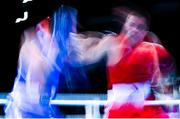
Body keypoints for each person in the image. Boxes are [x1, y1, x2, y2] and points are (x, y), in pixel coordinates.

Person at [75, 7, 175, 118]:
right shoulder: (112, 43)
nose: (135, 30)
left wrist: (168, 96)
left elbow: (159, 80)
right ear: (125, 25)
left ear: (145, 32)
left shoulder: (152, 49)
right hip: (119, 108)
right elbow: (88, 57)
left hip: (146, 107)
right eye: (132, 24)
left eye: (140, 27)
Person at [4, 5, 81, 118]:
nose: (74, 30)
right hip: (23, 110)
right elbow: (37, 79)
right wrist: (53, 59)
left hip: (41, 110)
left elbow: (87, 50)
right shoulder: (31, 46)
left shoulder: (61, 49)